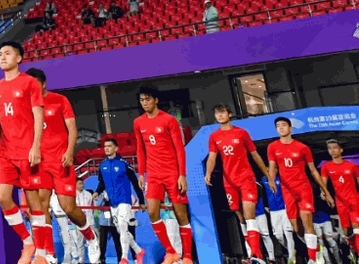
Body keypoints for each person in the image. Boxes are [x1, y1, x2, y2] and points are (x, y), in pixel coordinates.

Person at [29, 70, 99, 262]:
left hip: (61, 161)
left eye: (35, 83)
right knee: (40, 205)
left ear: (43, 83)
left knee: (68, 207)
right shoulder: (27, 107)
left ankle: (90, 237)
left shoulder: (60, 100)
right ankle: (48, 253)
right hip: (40, 163)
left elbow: (72, 129)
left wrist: (69, 151)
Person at [0, 42, 44, 264]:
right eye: (0, 54)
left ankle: (41, 253)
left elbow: (38, 115)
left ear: (19, 58)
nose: (2, 57)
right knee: (2, 197)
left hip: (27, 150)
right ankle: (28, 242)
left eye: (8, 53)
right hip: (5, 152)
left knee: (33, 201)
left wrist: (36, 146)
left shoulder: (30, 83)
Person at [204, 104, 272, 264]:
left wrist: (267, 175)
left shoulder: (241, 133)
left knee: (249, 216)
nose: (219, 115)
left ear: (229, 114)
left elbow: (255, 155)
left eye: (222, 112)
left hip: (246, 178)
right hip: (229, 182)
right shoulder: (214, 136)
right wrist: (208, 173)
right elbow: (212, 157)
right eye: (217, 113)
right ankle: (251, 254)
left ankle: (256, 254)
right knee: (241, 218)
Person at [133, 87, 193, 264]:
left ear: (156, 100)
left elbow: (179, 149)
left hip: (172, 173)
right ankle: (171, 252)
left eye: (148, 99)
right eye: (142, 100)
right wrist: (141, 173)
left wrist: (182, 175)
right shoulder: (138, 122)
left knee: (180, 214)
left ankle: (188, 256)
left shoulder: (169, 120)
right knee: (152, 212)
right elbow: (140, 149)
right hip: (153, 174)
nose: (145, 103)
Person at [267, 116, 334, 264]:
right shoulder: (272, 147)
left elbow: (313, 170)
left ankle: (313, 259)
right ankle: (316, 249)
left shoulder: (302, 147)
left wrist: (326, 192)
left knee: (306, 220)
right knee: (297, 228)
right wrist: (271, 180)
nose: (281, 128)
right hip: (287, 190)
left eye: (284, 125)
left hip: (303, 188)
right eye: (278, 126)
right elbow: (272, 167)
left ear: (290, 128)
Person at [95, 138, 144, 264]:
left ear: (116, 148)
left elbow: (135, 182)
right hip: (113, 203)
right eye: (105, 146)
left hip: (124, 200)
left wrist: (142, 200)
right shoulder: (102, 165)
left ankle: (124, 258)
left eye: (109, 146)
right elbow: (102, 182)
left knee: (122, 226)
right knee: (121, 230)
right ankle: (138, 250)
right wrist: (97, 192)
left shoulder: (124, 164)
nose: (106, 148)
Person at [320, 139, 359, 256]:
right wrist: (324, 193)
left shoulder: (352, 166)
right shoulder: (326, 166)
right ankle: (354, 250)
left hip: (354, 201)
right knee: (346, 231)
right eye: (330, 148)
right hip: (340, 203)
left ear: (341, 150)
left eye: (335, 148)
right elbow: (323, 184)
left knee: (357, 227)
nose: (332, 150)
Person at [261, 175, 296, 263]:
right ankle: (291, 250)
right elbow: (262, 193)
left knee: (288, 233)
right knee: (279, 236)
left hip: (284, 208)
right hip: (273, 211)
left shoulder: (281, 177)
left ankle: (291, 258)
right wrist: (265, 205)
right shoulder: (263, 179)